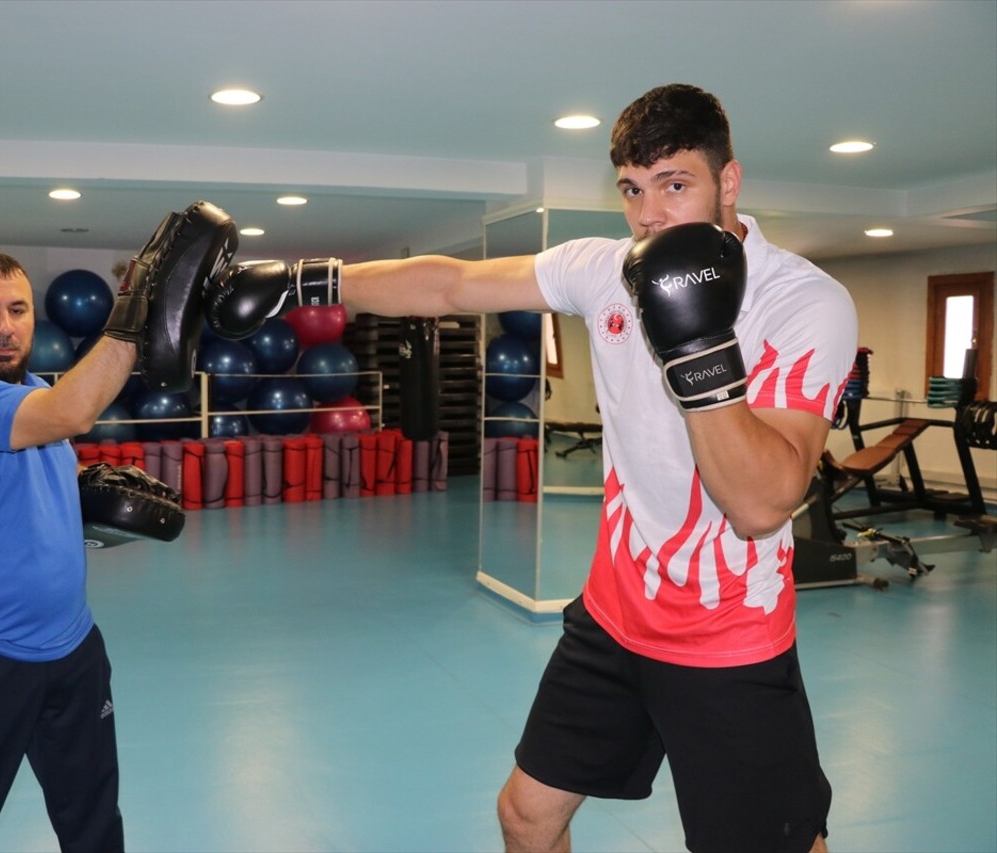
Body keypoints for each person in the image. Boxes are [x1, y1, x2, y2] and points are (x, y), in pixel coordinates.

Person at [203, 84, 856, 853]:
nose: (649, 216)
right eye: (632, 191)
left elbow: (760, 504)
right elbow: (450, 283)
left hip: (729, 638)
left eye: (675, 185)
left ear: (729, 181)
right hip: (615, 616)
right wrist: (305, 283)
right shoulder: (606, 268)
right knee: (526, 814)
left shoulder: (804, 302)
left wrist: (699, 347)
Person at [0, 202, 236, 851]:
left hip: (72, 647)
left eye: (17, 310)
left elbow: (22, 488)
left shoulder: (26, 388)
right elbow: (76, 411)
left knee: (94, 825)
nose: (4, 327)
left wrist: (85, 518)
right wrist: (144, 301)